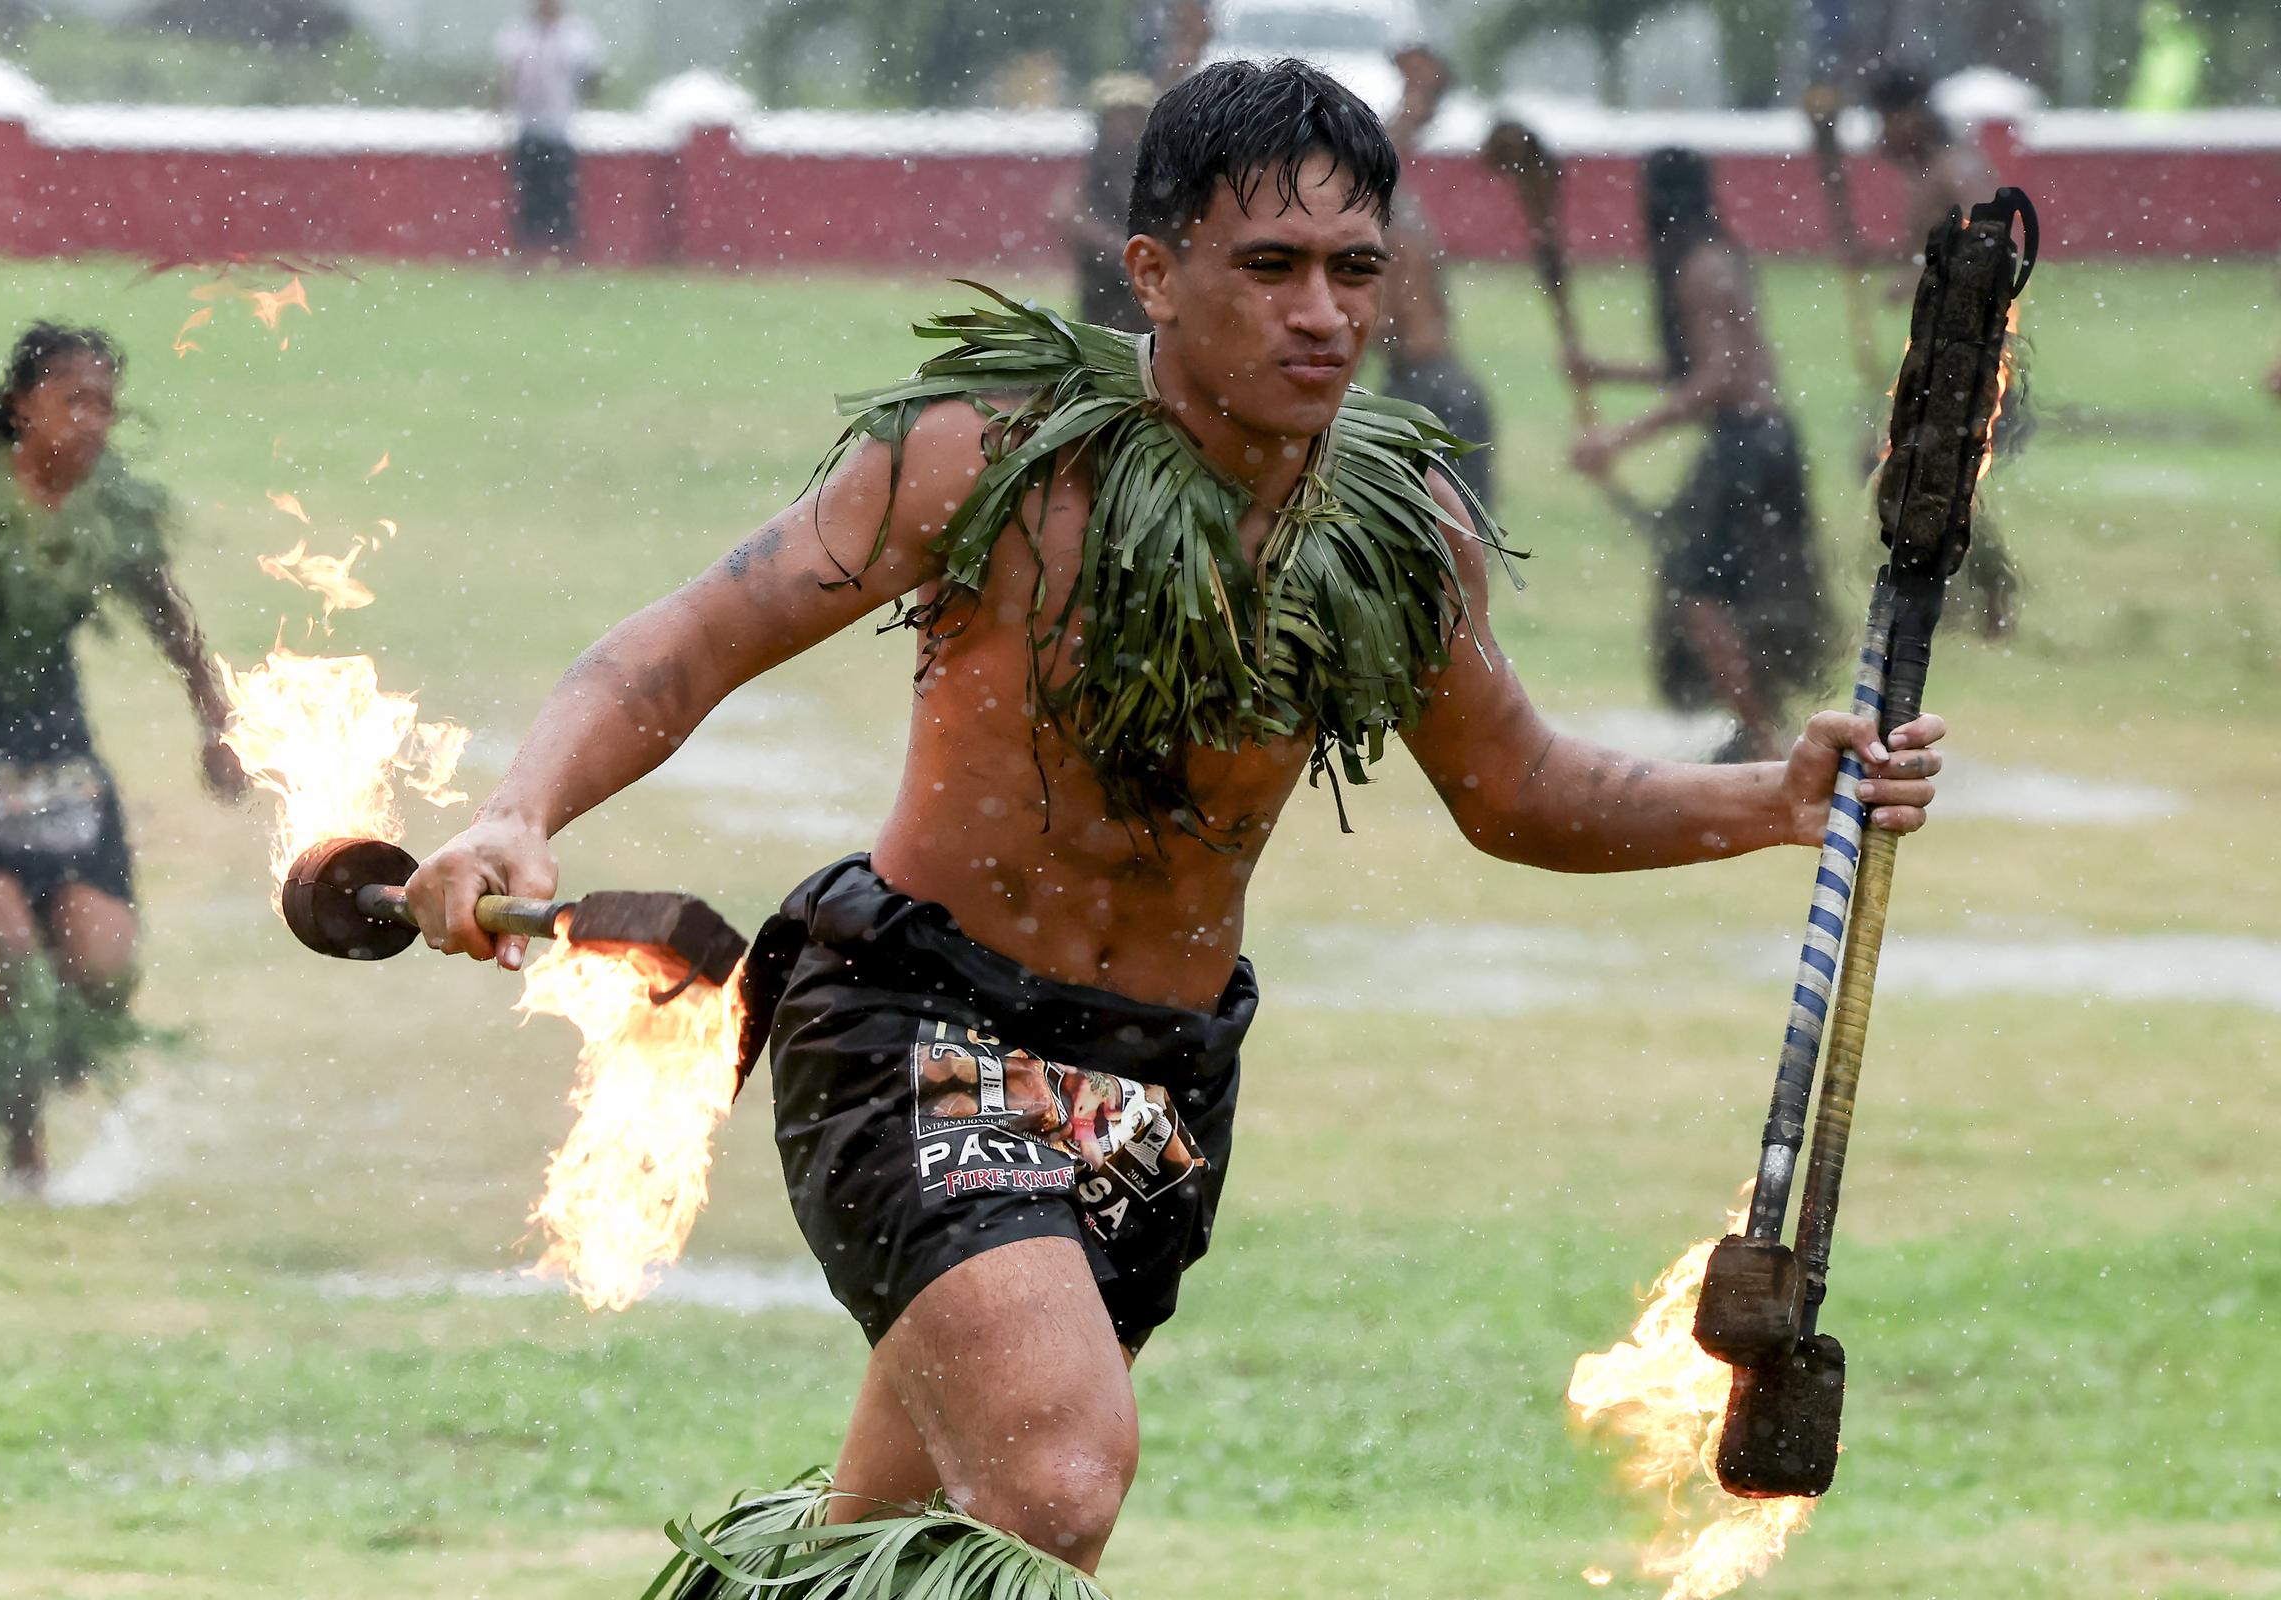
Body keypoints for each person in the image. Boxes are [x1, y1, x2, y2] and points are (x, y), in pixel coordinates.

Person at [406, 62, 1945, 1589]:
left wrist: (1775, 800)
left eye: (1356, 270)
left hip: (1158, 1087)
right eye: (1269, 269)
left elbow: (1518, 790)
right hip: (918, 1024)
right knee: (1059, 1478)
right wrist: (515, 813)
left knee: (889, 1540)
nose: (1325, 314)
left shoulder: (1401, 536)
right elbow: (683, 644)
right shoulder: (993, 460)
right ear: (1153, 272)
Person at [0, 324, 244, 1188]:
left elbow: (172, 622)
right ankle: (22, 1154)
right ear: (21, 405)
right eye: (73, 400)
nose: (91, 422)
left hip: (58, 758)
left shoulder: (110, 508)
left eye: (106, 406)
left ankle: (44, 1065)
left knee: (102, 965)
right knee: (9, 949)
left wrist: (216, 724)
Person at [1569, 148, 1835, 762]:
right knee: (1725, 592)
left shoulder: (1700, 268)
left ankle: (1761, 733)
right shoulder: (1717, 258)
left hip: (1748, 445)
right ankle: (1759, 725)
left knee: (1699, 592)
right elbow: (1703, 368)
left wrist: (1618, 437)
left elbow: (1718, 379)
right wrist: (1604, 371)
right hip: (1762, 440)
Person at [1870, 61, 2021, 636]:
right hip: (1937, 345)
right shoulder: (1928, 169)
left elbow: (1984, 251)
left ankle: (1987, 595)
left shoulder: (1954, 168)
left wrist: (1913, 280)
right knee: (1918, 468)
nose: (1882, 135)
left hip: (1967, 350)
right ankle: (1959, 589)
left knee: (1943, 473)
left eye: (1888, 120)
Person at [1377, 42, 1496, 507]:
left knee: (1439, 542)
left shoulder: (1394, 225)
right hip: (1443, 383)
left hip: (1425, 388)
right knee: (1454, 540)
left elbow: (1381, 325)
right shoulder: (1399, 212)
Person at [493, 0, 604, 258]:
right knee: (527, 197)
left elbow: (591, 77)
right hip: (527, 126)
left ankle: (563, 254)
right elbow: (505, 77)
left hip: (560, 127)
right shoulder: (518, 34)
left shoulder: (576, 35)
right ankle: (527, 254)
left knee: (561, 196)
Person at [1059, 74, 1154, 335]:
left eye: (1132, 116)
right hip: (1104, 287)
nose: (1124, 126)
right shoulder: (1094, 165)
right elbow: (1066, 213)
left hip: (1146, 285)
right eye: (1117, 117)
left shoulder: (1155, 162)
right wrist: (1115, 247)